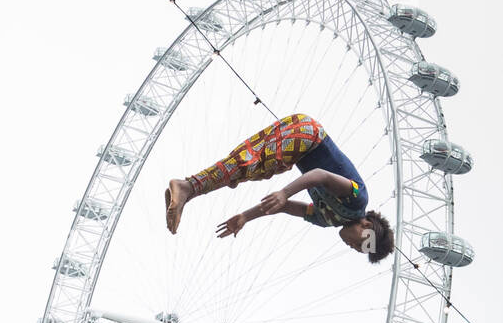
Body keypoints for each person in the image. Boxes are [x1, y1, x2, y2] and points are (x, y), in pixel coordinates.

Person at [165, 112, 393, 261]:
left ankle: (186, 189)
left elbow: (285, 207)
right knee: (255, 164)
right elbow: (320, 175)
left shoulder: (327, 220)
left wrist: (245, 217)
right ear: (367, 225)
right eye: (360, 243)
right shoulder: (357, 199)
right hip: (308, 134)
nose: (353, 246)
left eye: (356, 249)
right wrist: (284, 193)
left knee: (246, 165)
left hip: (298, 148)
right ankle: (187, 188)